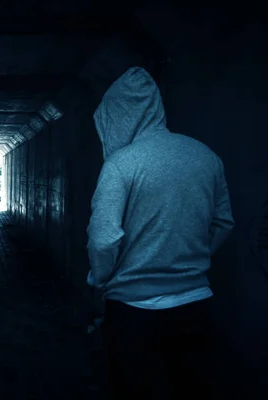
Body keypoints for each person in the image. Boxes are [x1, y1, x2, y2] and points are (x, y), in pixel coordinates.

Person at [86, 67, 235, 399]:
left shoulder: (121, 165)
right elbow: (224, 222)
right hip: (195, 302)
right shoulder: (206, 156)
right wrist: (190, 262)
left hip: (131, 311)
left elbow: (103, 238)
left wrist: (100, 280)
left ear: (117, 116)